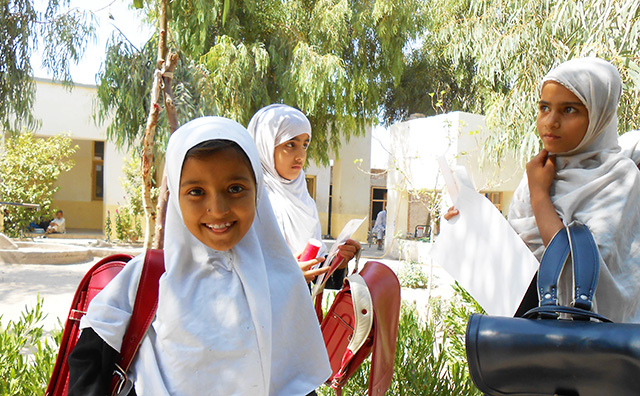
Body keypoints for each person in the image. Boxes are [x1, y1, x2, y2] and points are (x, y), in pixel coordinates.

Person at [68, 117, 331, 395]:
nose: (217, 210)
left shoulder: (282, 282)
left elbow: (294, 382)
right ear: (176, 197)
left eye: (235, 189)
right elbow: (90, 364)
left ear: (257, 192)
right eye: (196, 192)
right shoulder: (148, 277)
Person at [446, 58, 640, 323]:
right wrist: (478, 227)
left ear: (599, 116)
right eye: (544, 107)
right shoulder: (541, 171)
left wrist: (540, 197)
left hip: (587, 349)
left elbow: (579, 276)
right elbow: (520, 263)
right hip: (530, 336)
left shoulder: (619, 178)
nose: (551, 122)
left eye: (569, 110)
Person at [247, 104, 361, 284]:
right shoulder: (248, 199)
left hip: (299, 308)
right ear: (265, 145)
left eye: (305, 145)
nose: (300, 155)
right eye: (290, 144)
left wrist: (336, 262)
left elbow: (314, 276)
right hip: (263, 308)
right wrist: (285, 274)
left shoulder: (303, 199)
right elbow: (235, 270)